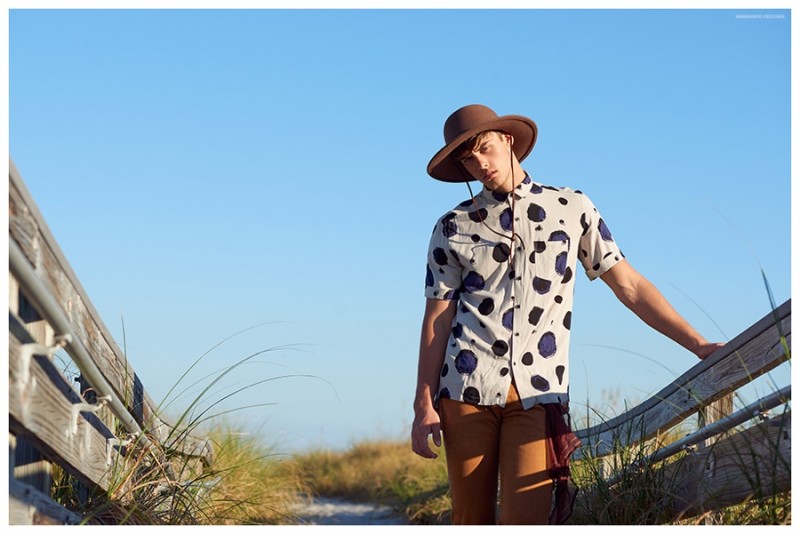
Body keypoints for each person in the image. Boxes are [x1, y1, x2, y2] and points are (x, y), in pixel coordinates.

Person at [411, 104, 723, 525]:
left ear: (506, 139)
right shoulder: (452, 227)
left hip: (539, 393)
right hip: (464, 390)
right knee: (470, 519)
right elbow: (437, 321)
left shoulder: (571, 207)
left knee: (528, 519)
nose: (480, 164)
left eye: (485, 148)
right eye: (468, 158)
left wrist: (698, 343)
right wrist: (423, 405)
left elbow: (628, 285)